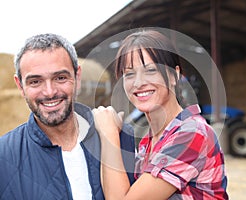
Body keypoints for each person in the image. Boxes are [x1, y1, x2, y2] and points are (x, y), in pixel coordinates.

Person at [93, 29, 229, 199]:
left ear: (174, 75)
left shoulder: (192, 133)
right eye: (129, 74)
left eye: (150, 70)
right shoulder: (148, 143)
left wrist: (108, 134)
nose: (139, 83)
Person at [0, 33, 135, 199]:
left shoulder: (123, 138)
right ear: (20, 85)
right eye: (35, 81)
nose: (49, 92)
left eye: (60, 78)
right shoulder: (4, 156)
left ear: (77, 77)